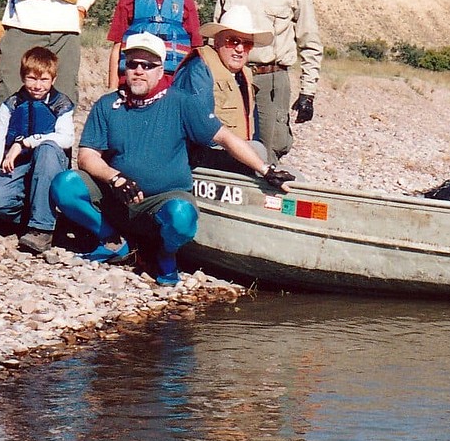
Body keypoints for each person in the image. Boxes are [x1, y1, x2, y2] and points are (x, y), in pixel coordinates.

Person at [50, 32, 294, 285]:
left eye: (148, 65)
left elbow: (226, 139)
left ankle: (165, 255)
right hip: (116, 196)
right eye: (133, 63)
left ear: (160, 70)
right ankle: (111, 240)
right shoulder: (108, 104)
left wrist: (266, 170)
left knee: (182, 216)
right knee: (64, 185)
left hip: (162, 201)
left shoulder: (181, 103)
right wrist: (114, 177)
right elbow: (87, 155)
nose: (139, 71)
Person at [215, 0, 323, 162]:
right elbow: (216, 37)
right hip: (234, 78)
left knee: (270, 150)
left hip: (272, 80)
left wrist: (308, 93)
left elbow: (310, 43)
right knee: (227, 143)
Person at [0, 46, 74, 254]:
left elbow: (66, 139)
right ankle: (34, 215)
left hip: (50, 166)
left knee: (47, 149)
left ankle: (41, 228)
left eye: (44, 80)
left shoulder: (61, 104)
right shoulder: (12, 105)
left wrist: (25, 142)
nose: (37, 86)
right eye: (31, 79)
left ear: (53, 79)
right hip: (19, 167)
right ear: (22, 77)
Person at [174, 4, 273, 173]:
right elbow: (200, 129)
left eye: (247, 44)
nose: (240, 49)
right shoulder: (199, 69)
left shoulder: (245, 75)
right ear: (217, 41)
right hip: (202, 157)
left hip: (236, 154)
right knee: (258, 150)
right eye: (233, 41)